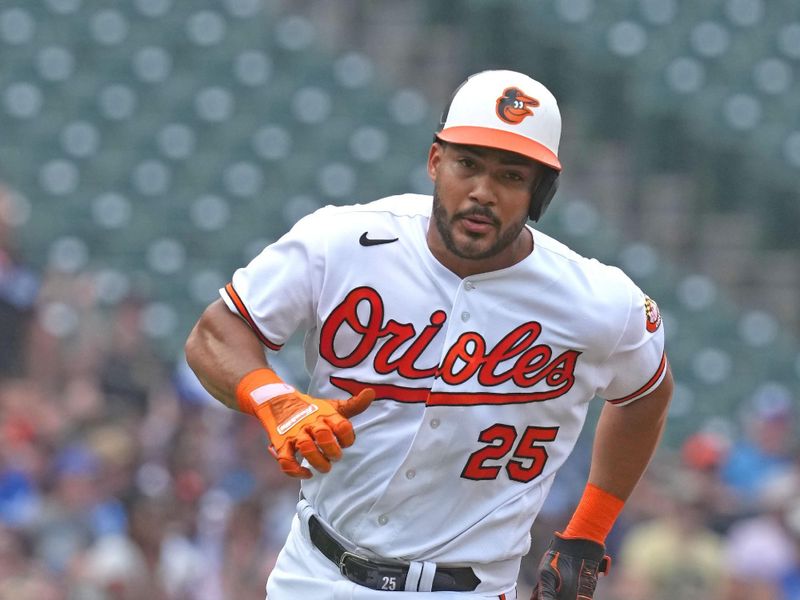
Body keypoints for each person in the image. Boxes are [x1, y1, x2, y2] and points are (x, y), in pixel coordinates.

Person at [184, 69, 673, 600]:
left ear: (539, 193)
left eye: (511, 176)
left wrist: (587, 532)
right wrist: (273, 398)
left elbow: (646, 395)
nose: (483, 192)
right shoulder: (343, 242)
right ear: (436, 161)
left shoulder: (597, 302)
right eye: (468, 164)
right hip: (316, 572)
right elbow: (217, 331)